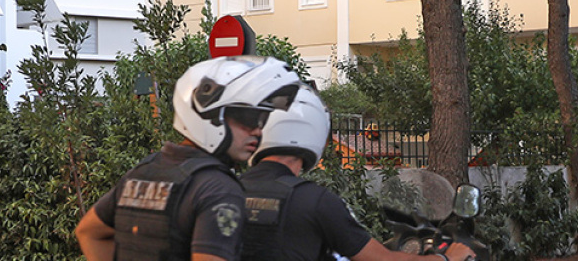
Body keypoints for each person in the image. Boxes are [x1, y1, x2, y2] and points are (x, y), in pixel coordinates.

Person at [76, 55, 301, 261]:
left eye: (262, 120)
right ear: (210, 115)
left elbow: (89, 232)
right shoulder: (218, 188)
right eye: (249, 118)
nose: (258, 130)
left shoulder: (143, 171)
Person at [240, 86, 476, 261]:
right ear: (313, 133)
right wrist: (447, 258)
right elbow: (381, 259)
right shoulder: (314, 201)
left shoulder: (230, 189)